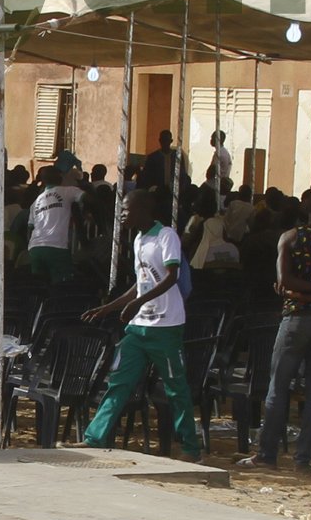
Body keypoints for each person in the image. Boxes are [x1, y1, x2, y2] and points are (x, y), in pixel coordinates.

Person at [79, 197, 203, 456]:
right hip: (138, 327)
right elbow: (141, 282)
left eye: (126, 209)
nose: (122, 214)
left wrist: (139, 303)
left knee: (176, 388)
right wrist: (108, 308)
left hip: (166, 326)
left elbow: (172, 277)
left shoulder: (166, 236)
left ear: (144, 209)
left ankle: (191, 449)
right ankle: (94, 438)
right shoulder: (138, 240)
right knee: (119, 383)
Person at [241, 193, 311, 471]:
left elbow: (285, 280)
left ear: (306, 210)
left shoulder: (290, 238)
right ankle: (304, 459)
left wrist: (299, 294)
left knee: (278, 389)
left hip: (295, 319)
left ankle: (267, 454)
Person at [25, 165, 83, 284]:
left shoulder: (36, 202)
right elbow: (90, 199)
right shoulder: (68, 191)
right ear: (60, 177)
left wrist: (30, 248)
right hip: (57, 247)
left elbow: (29, 229)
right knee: (61, 286)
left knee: (39, 286)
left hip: (35, 248)